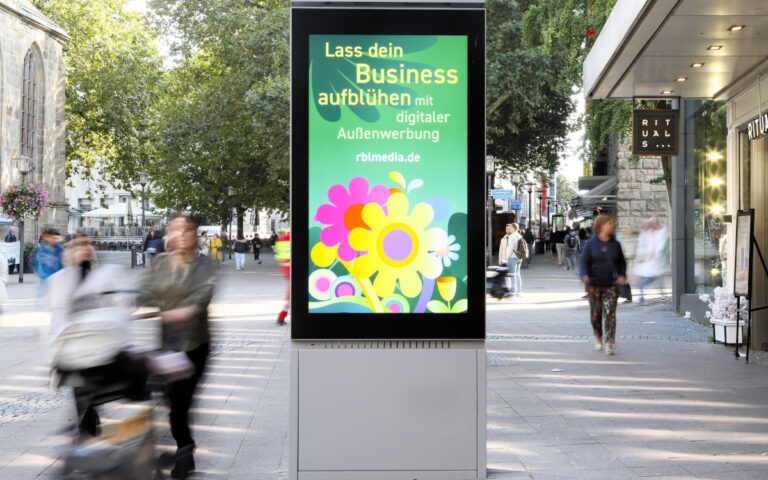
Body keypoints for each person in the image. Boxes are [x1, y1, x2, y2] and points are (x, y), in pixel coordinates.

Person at [48, 235, 147, 437]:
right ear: (68, 252)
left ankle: (92, 427)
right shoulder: (60, 280)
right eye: (78, 245)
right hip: (77, 351)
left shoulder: (108, 274)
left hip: (106, 346)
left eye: (88, 244)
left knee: (136, 379)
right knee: (82, 394)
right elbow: (58, 314)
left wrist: (120, 316)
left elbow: (121, 306)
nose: (84, 249)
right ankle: (87, 434)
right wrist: (67, 329)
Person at [141, 215, 215, 479]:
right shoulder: (159, 262)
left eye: (188, 229)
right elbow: (142, 291)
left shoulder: (205, 265)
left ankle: (185, 452)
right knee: (165, 397)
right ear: (168, 233)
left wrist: (174, 312)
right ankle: (181, 444)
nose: (182, 234)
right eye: (176, 229)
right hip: (167, 345)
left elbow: (200, 300)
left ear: (196, 235)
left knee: (180, 405)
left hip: (195, 346)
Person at [580, 215, 627, 355]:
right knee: (596, 314)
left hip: (611, 284)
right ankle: (598, 336)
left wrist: (622, 275)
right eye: (609, 223)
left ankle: (609, 342)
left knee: (610, 313)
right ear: (600, 226)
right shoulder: (590, 244)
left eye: (612, 223)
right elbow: (584, 262)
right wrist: (584, 275)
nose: (611, 226)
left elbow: (622, 262)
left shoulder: (615, 244)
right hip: (594, 284)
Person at [634, 218, 667, 303]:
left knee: (657, 279)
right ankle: (641, 296)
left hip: (654, 261)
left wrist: (656, 254)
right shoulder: (644, 234)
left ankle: (662, 294)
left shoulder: (659, 233)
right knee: (645, 279)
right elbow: (641, 247)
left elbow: (660, 244)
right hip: (646, 262)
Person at [36, 228, 65, 298]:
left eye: (56, 238)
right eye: (52, 238)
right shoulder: (42, 251)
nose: (54, 240)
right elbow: (39, 267)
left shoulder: (61, 250)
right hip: (46, 284)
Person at [498, 223, 525, 297]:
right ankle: (519, 291)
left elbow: (510, 248)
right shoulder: (519, 235)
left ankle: (512, 291)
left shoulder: (512, 236)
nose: (509, 229)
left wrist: (506, 257)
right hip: (519, 257)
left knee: (512, 275)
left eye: (510, 228)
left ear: (513, 228)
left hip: (512, 258)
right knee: (518, 275)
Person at [275, 229, 291, 324]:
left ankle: (282, 316)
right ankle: (281, 316)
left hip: (285, 269)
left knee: (290, 294)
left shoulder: (281, 239)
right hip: (290, 267)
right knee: (290, 295)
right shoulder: (290, 238)